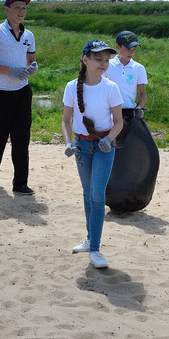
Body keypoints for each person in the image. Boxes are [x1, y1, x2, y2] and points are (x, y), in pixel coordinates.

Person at [62, 40, 124, 269]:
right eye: (98, 59)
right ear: (85, 59)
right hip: (81, 146)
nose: (104, 63)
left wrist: (108, 139)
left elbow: (118, 122)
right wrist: (68, 143)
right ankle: (89, 239)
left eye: (107, 59)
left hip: (104, 147)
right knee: (88, 192)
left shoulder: (111, 87)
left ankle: (96, 249)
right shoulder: (71, 87)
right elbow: (66, 121)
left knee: (98, 195)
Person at [0, 0, 38, 195]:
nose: (21, 12)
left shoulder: (28, 35)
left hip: (22, 92)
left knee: (22, 138)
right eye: (17, 8)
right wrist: (10, 70)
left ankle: (20, 183)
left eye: (24, 8)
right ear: (7, 10)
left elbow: (30, 59)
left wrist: (32, 67)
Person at [104, 30, 148, 122]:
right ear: (117, 47)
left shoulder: (139, 68)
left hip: (129, 112)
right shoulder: (107, 66)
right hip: (108, 112)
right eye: (128, 49)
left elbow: (142, 94)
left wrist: (139, 108)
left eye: (134, 50)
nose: (131, 53)